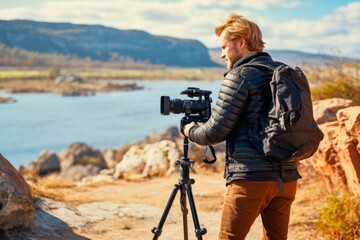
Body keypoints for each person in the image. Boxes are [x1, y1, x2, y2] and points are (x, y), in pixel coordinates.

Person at [183, 13, 301, 240]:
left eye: (224, 46)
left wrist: (189, 130)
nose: (222, 53)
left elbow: (214, 133)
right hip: (287, 177)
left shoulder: (240, 75)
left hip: (251, 179)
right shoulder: (284, 72)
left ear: (241, 42)